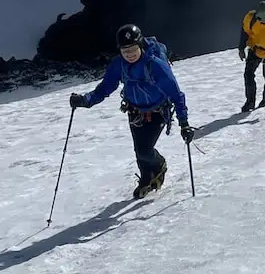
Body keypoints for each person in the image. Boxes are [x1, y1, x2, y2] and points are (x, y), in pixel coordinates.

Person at [70, 23, 195, 199]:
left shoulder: (155, 65)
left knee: (144, 149)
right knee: (139, 149)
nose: (129, 54)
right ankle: (146, 178)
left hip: (158, 111)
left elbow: (176, 93)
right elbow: (105, 88)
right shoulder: (118, 65)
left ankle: (159, 165)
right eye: (124, 50)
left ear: (140, 45)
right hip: (135, 111)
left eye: (133, 49)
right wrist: (85, 100)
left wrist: (184, 123)